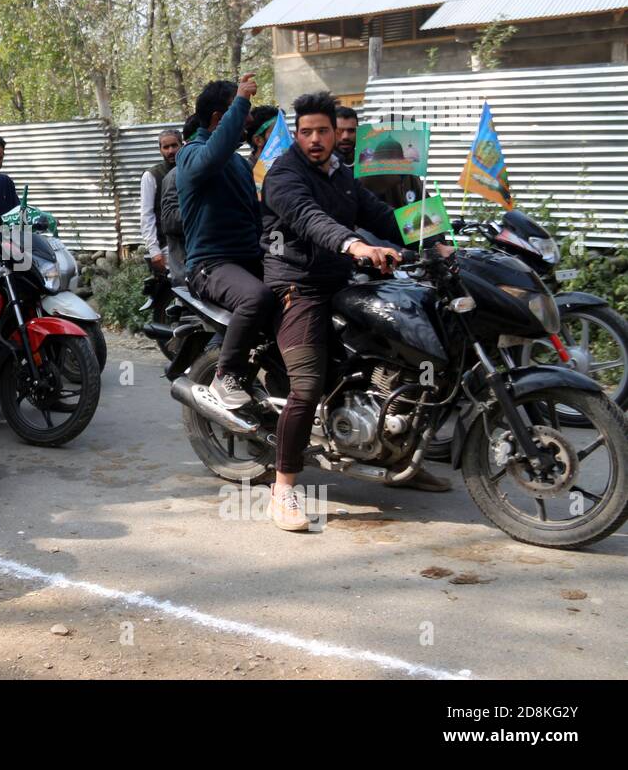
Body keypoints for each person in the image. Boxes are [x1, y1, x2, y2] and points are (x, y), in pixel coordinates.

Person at [261, 91, 447, 532]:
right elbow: (309, 219)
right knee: (305, 386)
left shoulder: (342, 173)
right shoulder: (282, 175)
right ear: (297, 134)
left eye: (322, 130)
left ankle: (401, 453)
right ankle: (282, 488)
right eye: (306, 131)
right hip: (298, 283)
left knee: (405, 351)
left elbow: (383, 213)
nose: (315, 139)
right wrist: (355, 245)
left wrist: (439, 238)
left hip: (341, 278)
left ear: (336, 132)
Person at [178, 75, 276, 410]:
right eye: (243, 118)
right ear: (221, 118)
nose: (248, 127)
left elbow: (257, 217)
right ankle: (226, 376)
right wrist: (242, 100)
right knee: (255, 298)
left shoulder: (238, 164)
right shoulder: (190, 156)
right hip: (210, 265)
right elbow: (211, 156)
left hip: (248, 259)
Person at [336, 105, 424, 209]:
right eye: (339, 131)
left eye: (351, 131)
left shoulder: (410, 174)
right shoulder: (368, 172)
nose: (345, 136)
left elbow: (425, 207)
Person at [141, 129, 181, 277]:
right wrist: (154, 250)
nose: (171, 151)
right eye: (166, 147)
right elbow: (147, 214)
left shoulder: (190, 169)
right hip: (167, 247)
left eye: (174, 145)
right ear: (160, 150)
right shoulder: (151, 175)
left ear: (181, 145)